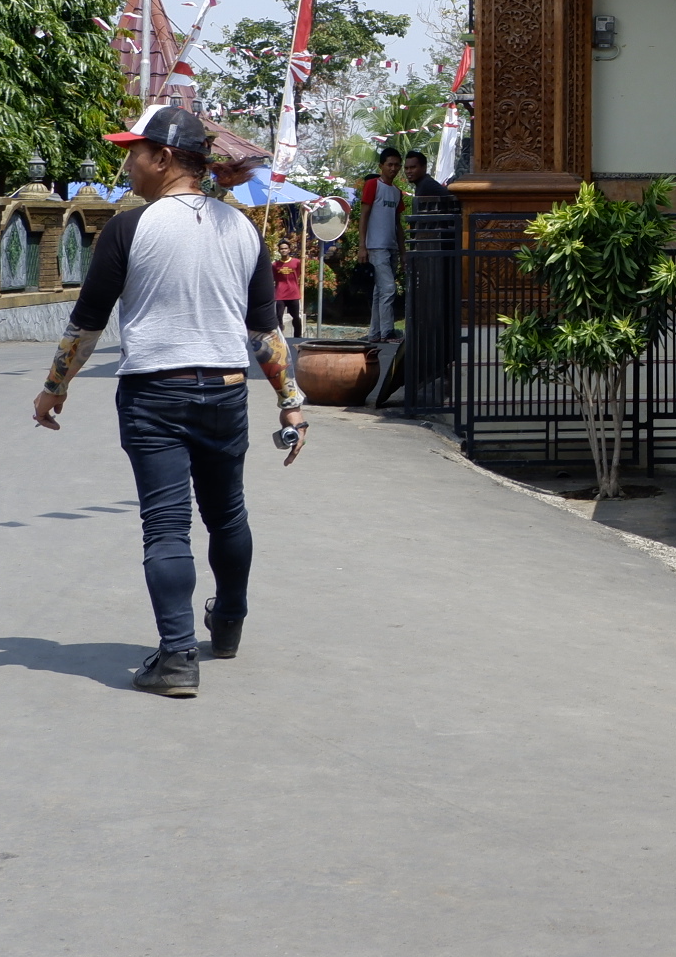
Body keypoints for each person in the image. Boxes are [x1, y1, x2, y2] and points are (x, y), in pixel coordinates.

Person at [32, 103, 310, 699]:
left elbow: (87, 326)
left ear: (164, 158)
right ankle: (228, 623)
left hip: (155, 393)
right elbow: (263, 332)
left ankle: (179, 658)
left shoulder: (129, 229)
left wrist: (54, 389)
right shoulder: (243, 230)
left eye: (135, 151)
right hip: (228, 392)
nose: (127, 161)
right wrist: (290, 400)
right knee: (227, 513)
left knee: (166, 527)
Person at [356, 146, 406, 341]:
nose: (393, 169)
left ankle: (375, 333)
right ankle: (387, 332)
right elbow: (364, 215)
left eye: (396, 165)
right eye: (390, 165)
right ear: (381, 166)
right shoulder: (372, 185)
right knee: (388, 289)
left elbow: (397, 223)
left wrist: (403, 252)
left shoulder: (396, 192)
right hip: (376, 246)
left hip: (391, 246)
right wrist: (363, 245)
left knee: (380, 292)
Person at [272, 245, 304, 338]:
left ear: (289, 250)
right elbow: (274, 277)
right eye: (282, 249)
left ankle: (298, 336)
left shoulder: (297, 262)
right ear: (279, 250)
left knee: (296, 317)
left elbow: (298, 273)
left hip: (293, 293)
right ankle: (280, 336)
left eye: (285, 248)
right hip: (280, 294)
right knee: (278, 316)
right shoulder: (275, 265)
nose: (284, 250)